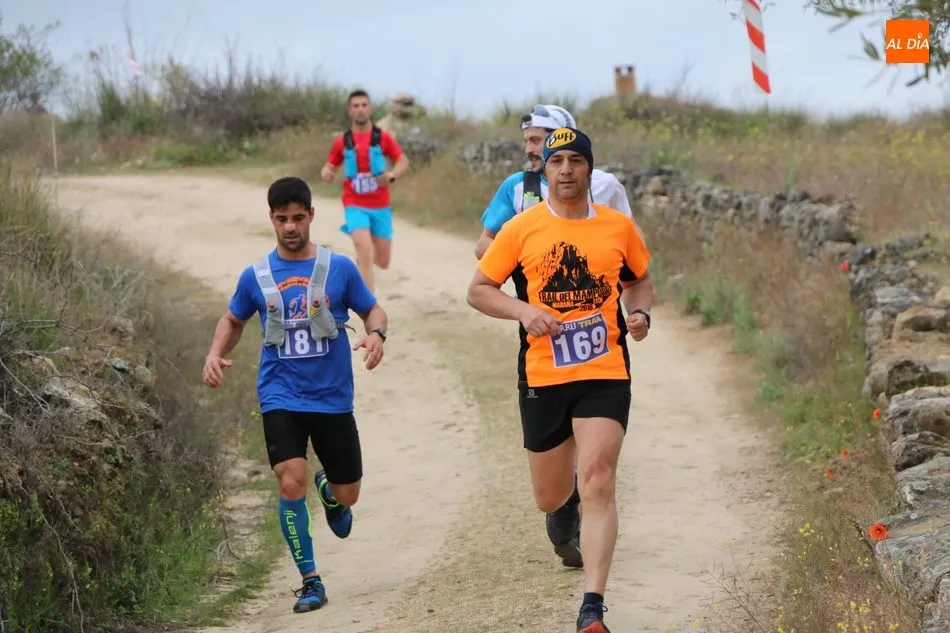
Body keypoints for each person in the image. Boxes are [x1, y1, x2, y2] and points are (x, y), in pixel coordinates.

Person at [466, 127, 654, 633]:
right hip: (544, 374)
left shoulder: (617, 227)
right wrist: (524, 311)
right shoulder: (521, 229)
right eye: (557, 161)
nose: (566, 169)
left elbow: (639, 281)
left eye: (575, 160)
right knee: (550, 496)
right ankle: (565, 502)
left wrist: (639, 315)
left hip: (604, 371)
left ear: (590, 168)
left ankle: (592, 606)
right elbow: (479, 290)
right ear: (543, 169)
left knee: (599, 477)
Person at [202, 176, 389, 614]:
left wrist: (377, 334)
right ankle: (310, 581)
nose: (290, 227)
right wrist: (214, 353)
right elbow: (233, 320)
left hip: (332, 398)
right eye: (282, 218)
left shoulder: (338, 268)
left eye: (298, 218)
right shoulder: (256, 275)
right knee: (289, 479)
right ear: (271, 218)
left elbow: (372, 308)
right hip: (280, 394)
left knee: (349, 495)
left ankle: (329, 490)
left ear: (311, 216)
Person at [474, 103, 635, 260]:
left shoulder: (605, 185)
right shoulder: (517, 186)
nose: (528, 150)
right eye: (526, 141)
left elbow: (632, 240)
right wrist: (530, 260)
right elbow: (483, 244)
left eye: (535, 141)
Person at [321, 89, 411, 293]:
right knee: (364, 248)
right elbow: (330, 165)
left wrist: (391, 175)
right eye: (356, 106)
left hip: (380, 205)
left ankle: (362, 262)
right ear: (350, 111)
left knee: (383, 261)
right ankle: (369, 305)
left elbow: (402, 162)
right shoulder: (342, 141)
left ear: (370, 109)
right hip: (354, 204)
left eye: (364, 105)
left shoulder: (383, 137)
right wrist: (327, 172)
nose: (360, 109)